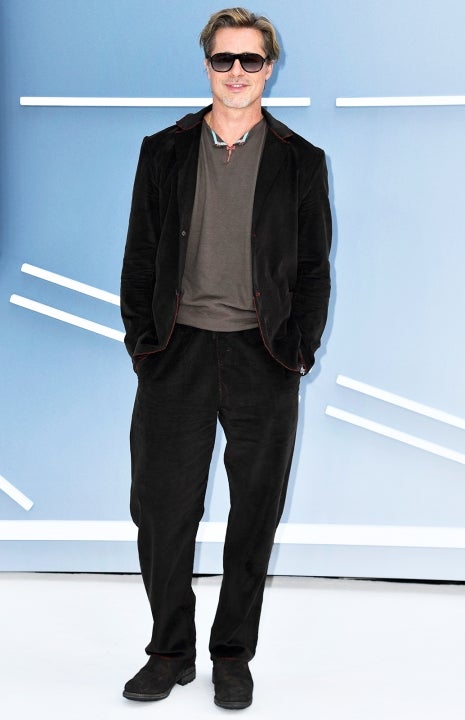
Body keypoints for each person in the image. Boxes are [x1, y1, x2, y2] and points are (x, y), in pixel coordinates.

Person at [120, 6, 331, 710]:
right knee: (160, 510)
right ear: (206, 64)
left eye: (250, 59)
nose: (236, 72)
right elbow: (140, 254)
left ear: (269, 67)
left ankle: (232, 655)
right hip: (175, 350)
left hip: (262, 354)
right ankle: (169, 652)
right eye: (223, 59)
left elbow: (313, 267)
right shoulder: (163, 150)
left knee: (254, 514)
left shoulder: (301, 161)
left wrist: (297, 351)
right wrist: (143, 343)